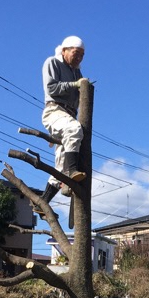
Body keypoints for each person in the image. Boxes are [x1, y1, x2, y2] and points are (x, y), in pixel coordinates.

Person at [39, 35, 88, 210]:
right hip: (55, 111)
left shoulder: (76, 71)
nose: (79, 58)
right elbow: (51, 88)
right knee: (74, 130)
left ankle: (42, 201)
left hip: (68, 115)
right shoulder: (52, 62)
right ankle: (72, 171)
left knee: (60, 165)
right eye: (76, 53)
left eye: (82, 55)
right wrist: (75, 85)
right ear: (64, 50)